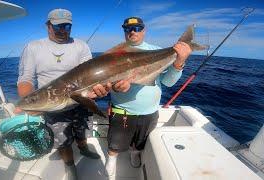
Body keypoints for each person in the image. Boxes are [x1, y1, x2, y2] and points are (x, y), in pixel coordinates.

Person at [16, 9, 104, 180]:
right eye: (58, 26)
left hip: (79, 101)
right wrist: (30, 103)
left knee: (82, 131)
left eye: (67, 26)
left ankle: (84, 148)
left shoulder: (81, 46)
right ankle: (70, 167)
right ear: (48, 25)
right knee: (62, 141)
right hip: (52, 105)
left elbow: (89, 74)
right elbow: (26, 78)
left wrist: (97, 90)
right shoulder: (33, 47)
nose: (63, 30)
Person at [102, 17, 193, 177]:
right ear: (124, 31)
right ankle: (112, 159)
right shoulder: (113, 54)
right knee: (114, 143)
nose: (132, 31)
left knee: (140, 141)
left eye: (137, 28)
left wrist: (179, 63)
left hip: (150, 111)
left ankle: (135, 153)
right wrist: (114, 87)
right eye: (128, 29)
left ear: (144, 31)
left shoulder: (157, 51)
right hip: (122, 110)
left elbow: (168, 82)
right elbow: (105, 83)